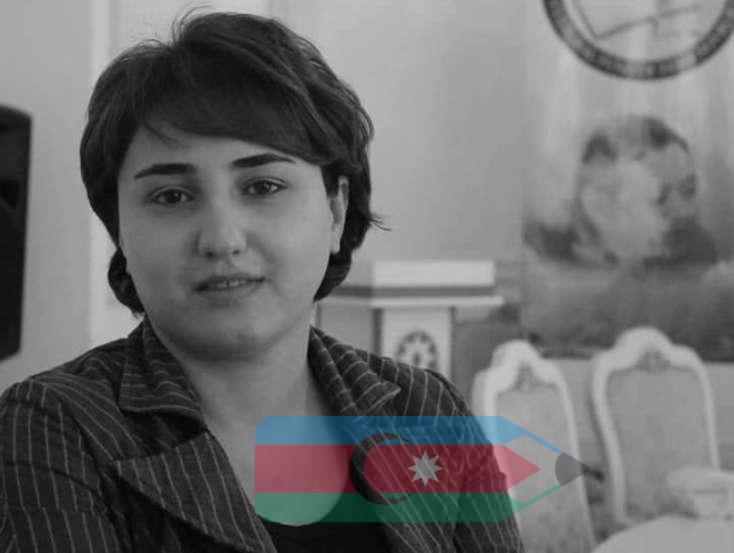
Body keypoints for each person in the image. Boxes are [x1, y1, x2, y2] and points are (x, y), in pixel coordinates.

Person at [0, 12, 524, 552]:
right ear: (120, 232)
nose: (222, 239)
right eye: (172, 196)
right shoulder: (56, 426)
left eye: (263, 186)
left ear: (336, 210)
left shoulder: (427, 410)